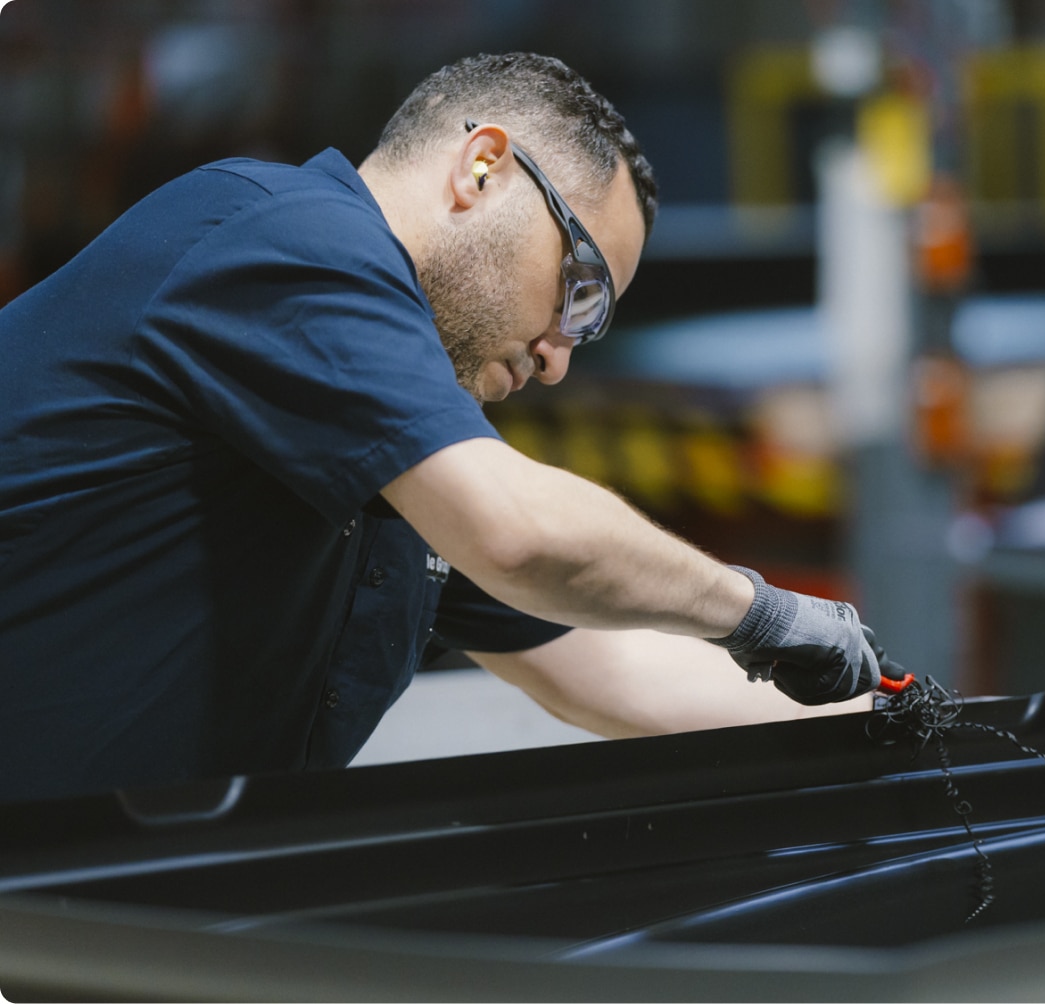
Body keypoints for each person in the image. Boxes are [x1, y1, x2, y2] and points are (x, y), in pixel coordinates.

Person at [0, 52, 903, 804]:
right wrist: (762, 613)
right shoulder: (282, 239)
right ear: (482, 169)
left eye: (589, 328)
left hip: (109, 905)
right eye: (580, 290)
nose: (558, 358)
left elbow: (609, 671)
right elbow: (519, 534)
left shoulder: (383, 444)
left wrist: (895, 720)